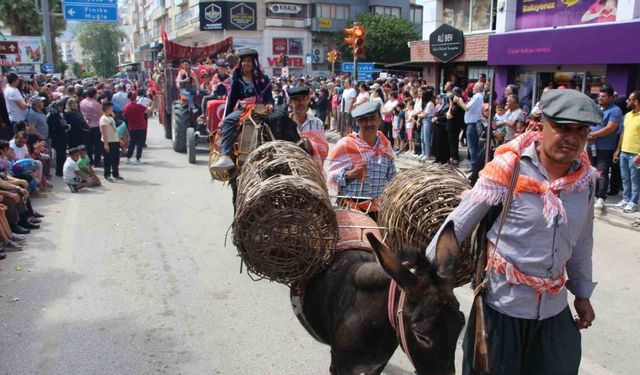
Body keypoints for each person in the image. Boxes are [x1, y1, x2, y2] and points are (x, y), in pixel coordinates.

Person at [427, 89, 601, 375]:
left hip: (554, 312)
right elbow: (456, 227)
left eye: (580, 130)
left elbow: (582, 242)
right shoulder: (507, 169)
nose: (571, 138)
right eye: (561, 127)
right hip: (501, 310)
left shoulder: (585, 181)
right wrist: (421, 281)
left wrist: (582, 295)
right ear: (540, 125)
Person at [327, 101, 396, 220]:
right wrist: (350, 174)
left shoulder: (385, 145)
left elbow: (392, 177)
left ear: (380, 120)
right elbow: (331, 176)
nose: (369, 123)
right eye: (364, 120)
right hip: (350, 209)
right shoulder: (346, 145)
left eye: (373, 118)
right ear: (357, 122)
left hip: (378, 210)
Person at [209, 49, 273, 172]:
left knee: (279, 120)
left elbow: (269, 97)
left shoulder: (263, 79)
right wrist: (225, 118)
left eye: (249, 61)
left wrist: (270, 104)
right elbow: (231, 100)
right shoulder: (236, 79)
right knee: (228, 122)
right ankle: (226, 156)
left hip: (261, 110)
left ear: (254, 62)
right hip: (244, 110)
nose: (246, 64)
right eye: (243, 61)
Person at [588, 85, 622, 210]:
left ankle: (601, 197)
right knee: (590, 171)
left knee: (601, 172)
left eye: (603, 96)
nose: (600, 98)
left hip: (605, 148)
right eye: (599, 96)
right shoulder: (596, 108)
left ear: (611, 97)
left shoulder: (615, 110)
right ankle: (591, 195)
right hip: (591, 145)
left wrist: (591, 134)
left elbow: (610, 128)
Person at [287, 86, 329, 172]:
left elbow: (324, 150)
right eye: (296, 99)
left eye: (303, 99)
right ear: (290, 102)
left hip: (312, 171)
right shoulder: (285, 124)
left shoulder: (317, 123)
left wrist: (311, 145)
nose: (300, 103)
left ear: (308, 100)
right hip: (290, 172)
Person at [613, 91, 640, 213]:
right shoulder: (628, 115)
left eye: (630, 99)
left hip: (636, 154)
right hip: (624, 152)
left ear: (636, 101)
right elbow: (623, 133)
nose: (627, 101)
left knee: (635, 180)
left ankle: (633, 202)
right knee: (625, 178)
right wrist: (618, 150)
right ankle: (626, 199)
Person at [455, 82, 484, 171]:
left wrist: (459, 101)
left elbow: (466, 108)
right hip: (472, 123)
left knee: (472, 146)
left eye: (474, 87)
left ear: (478, 88)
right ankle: (474, 165)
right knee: (472, 146)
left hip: (473, 124)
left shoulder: (477, 96)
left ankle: (474, 166)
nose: (472, 88)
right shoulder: (477, 97)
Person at [123, 90, 151, 165]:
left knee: (132, 143)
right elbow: (148, 111)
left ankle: (128, 158)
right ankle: (137, 159)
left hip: (131, 127)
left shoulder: (126, 107)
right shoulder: (139, 106)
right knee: (139, 144)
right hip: (141, 127)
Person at [80, 87, 103, 166]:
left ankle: (89, 160)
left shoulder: (82, 102)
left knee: (88, 145)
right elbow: (101, 113)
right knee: (97, 144)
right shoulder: (95, 103)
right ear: (94, 94)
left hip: (86, 125)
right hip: (95, 125)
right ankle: (97, 161)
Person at [99, 102, 122, 182]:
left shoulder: (110, 117)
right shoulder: (103, 119)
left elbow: (115, 130)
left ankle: (115, 174)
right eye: (111, 108)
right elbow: (103, 132)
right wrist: (106, 144)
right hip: (108, 141)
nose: (112, 109)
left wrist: (119, 139)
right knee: (108, 159)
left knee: (116, 159)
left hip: (115, 140)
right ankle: (107, 174)